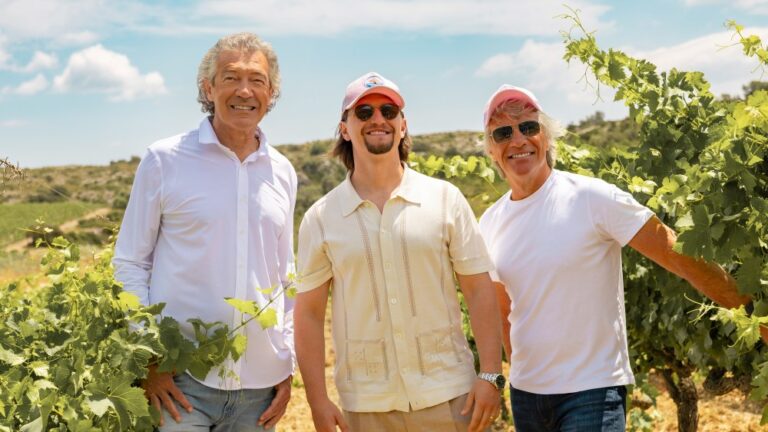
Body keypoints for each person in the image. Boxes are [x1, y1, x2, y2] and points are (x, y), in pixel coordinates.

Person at [477, 85, 758, 432]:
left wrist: (748, 307)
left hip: (590, 392)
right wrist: (514, 374)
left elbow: (677, 254)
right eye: (503, 132)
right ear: (491, 150)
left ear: (546, 138)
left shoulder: (593, 198)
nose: (518, 140)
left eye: (529, 127)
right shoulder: (489, 222)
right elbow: (503, 310)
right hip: (527, 397)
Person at [294, 72, 504, 432]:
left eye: (389, 111)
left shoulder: (445, 199)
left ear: (403, 125)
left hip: (452, 398)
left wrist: (490, 374)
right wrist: (317, 400)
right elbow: (309, 314)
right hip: (367, 406)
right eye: (363, 112)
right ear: (344, 128)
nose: (378, 119)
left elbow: (479, 289)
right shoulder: (320, 218)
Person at [113, 32, 297, 431]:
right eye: (231, 77)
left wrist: (288, 363)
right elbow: (129, 262)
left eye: (257, 80)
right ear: (208, 88)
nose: (244, 90)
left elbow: (285, 278)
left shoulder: (283, 172)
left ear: (271, 93)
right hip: (179, 385)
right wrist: (149, 358)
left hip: (259, 391)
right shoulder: (164, 160)